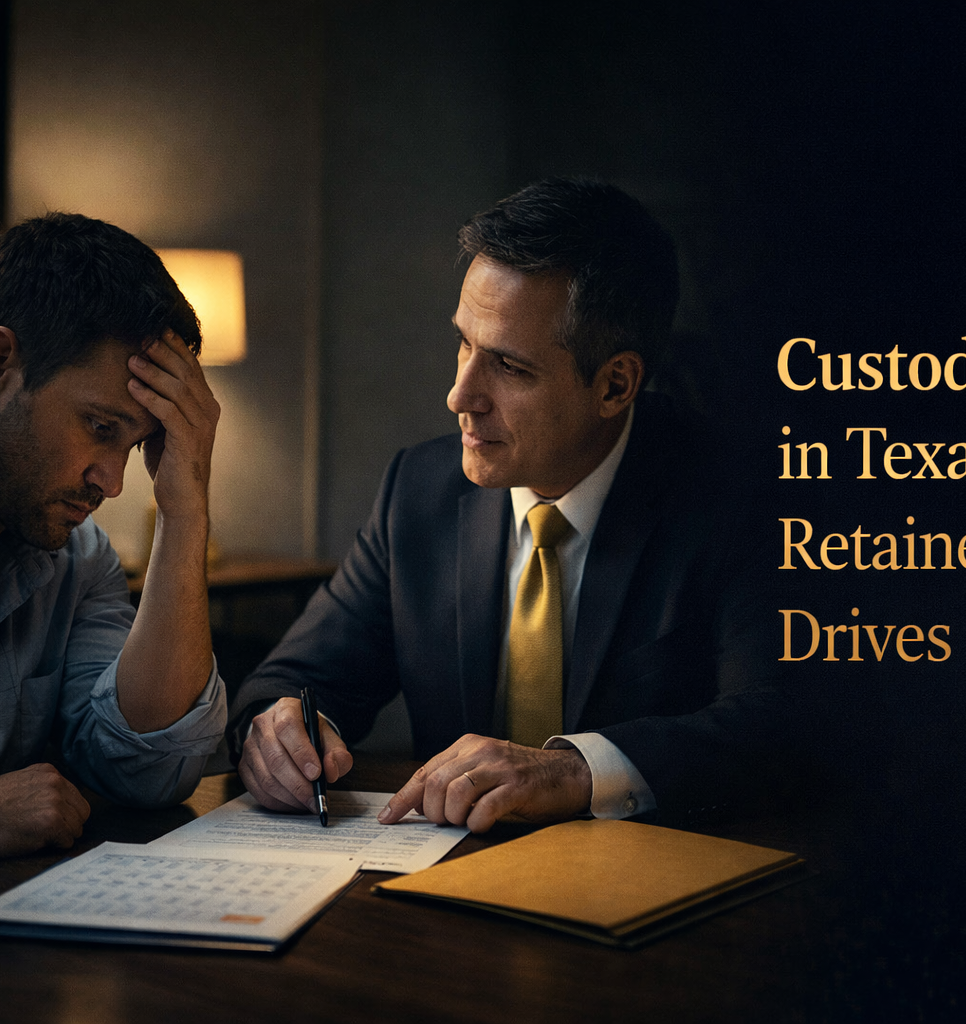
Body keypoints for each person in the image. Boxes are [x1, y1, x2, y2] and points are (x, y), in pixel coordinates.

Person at [231, 178, 785, 832]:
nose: (459, 395)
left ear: (615, 385)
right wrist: (283, 732)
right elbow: (294, 680)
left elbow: (784, 726)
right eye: (464, 343)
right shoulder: (420, 489)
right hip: (440, 890)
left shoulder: (742, 498)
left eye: (509, 367)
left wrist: (575, 770)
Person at [0, 213, 226, 859]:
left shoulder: (76, 563)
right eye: (100, 427)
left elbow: (144, 769)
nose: (111, 483)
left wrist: (184, 512)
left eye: (135, 445)